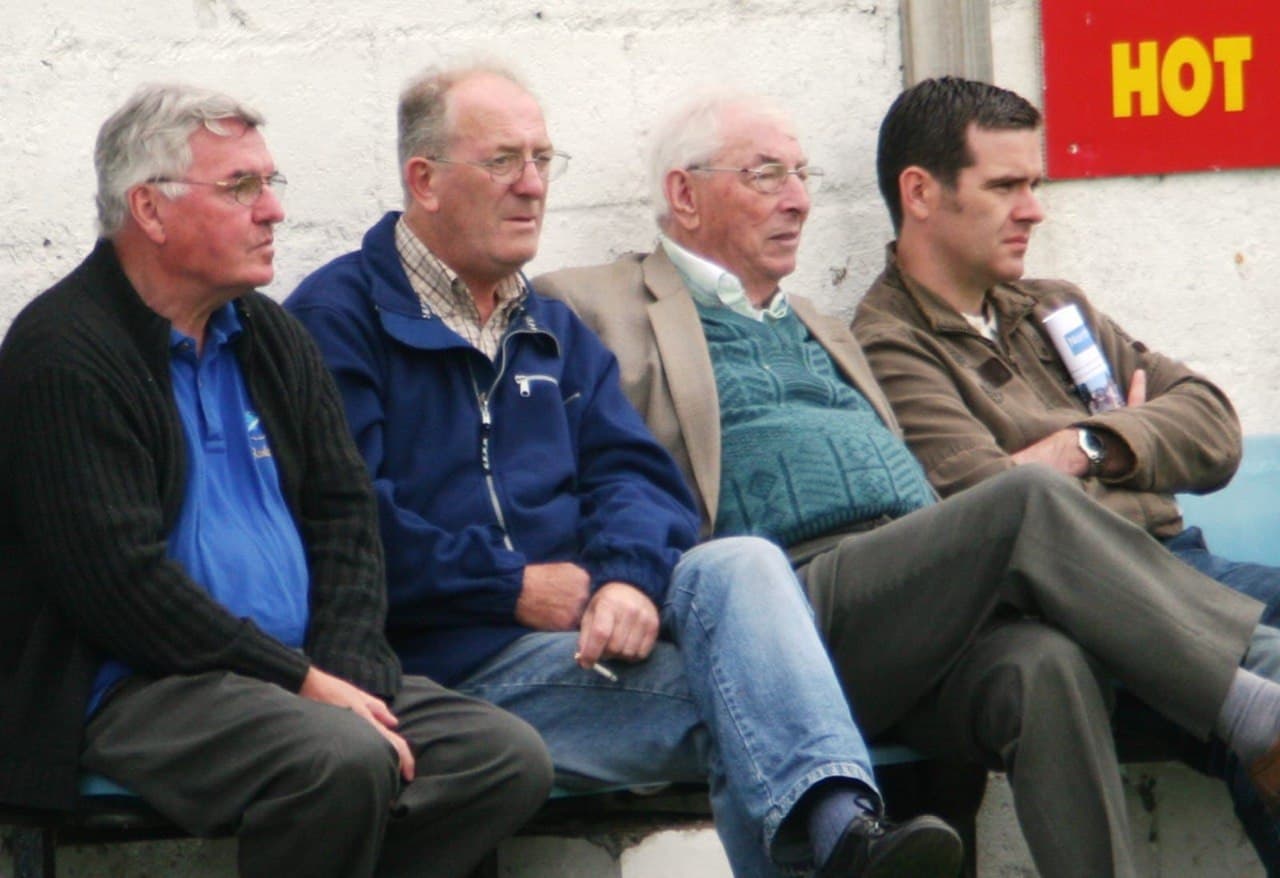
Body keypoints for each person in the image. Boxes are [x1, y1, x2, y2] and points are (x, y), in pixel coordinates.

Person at [533, 88, 1280, 878]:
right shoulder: (590, 302)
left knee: (1043, 666)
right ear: (684, 194)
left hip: (912, 596)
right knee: (1025, 500)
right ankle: (1253, 703)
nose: (798, 200)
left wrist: (1074, 451)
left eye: (802, 174)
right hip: (789, 605)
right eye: (765, 175)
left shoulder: (817, 321)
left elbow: (1208, 425)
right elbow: (586, 469)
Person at [285, 64, 966, 878]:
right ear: (423, 181)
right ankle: (843, 838)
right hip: (451, 669)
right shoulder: (338, 319)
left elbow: (638, 480)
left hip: (575, 643)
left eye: (543, 159)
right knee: (758, 715)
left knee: (741, 561)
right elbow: (351, 525)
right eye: (504, 161)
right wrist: (508, 586)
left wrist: (626, 581)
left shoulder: (547, 326)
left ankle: (843, 839)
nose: (533, 186)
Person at [0, 83, 553, 878]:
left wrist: (348, 672)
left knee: (500, 757)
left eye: (270, 184)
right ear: (149, 210)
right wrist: (301, 682)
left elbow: (346, 518)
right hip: (139, 683)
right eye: (240, 188)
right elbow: (119, 587)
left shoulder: (271, 335)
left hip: (297, 675)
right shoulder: (64, 353)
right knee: (335, 760)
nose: (273, 211)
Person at [850, 75, 1280, 872]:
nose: (1034, 209)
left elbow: (1216, 428)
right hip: (1091, 623)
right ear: (920, 192)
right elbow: (999, 511)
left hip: (1186, 568)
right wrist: (1141, 438)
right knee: (1256, 692)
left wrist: (1084, 446)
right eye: (1005, 185)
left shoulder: (1055, 306)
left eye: (1035, 183)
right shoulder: (889, 348)